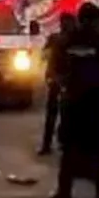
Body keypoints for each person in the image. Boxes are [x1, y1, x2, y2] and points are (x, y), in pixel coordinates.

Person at [48, 3, 99, 198]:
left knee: (69, 150)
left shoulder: (65, 41)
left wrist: (65, 86)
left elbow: (55, 69)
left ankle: (64, 194)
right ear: (97, 20)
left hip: (72, 103)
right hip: (96, 104)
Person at [38, 13, 77, 156]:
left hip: (62, 79)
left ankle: (51, 144)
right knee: (61, 114)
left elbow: (45, 56)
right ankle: (56, 143)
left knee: (58, 114)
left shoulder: (58, 39)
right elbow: (45, 56)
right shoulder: (68, 39)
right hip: (61, 79)